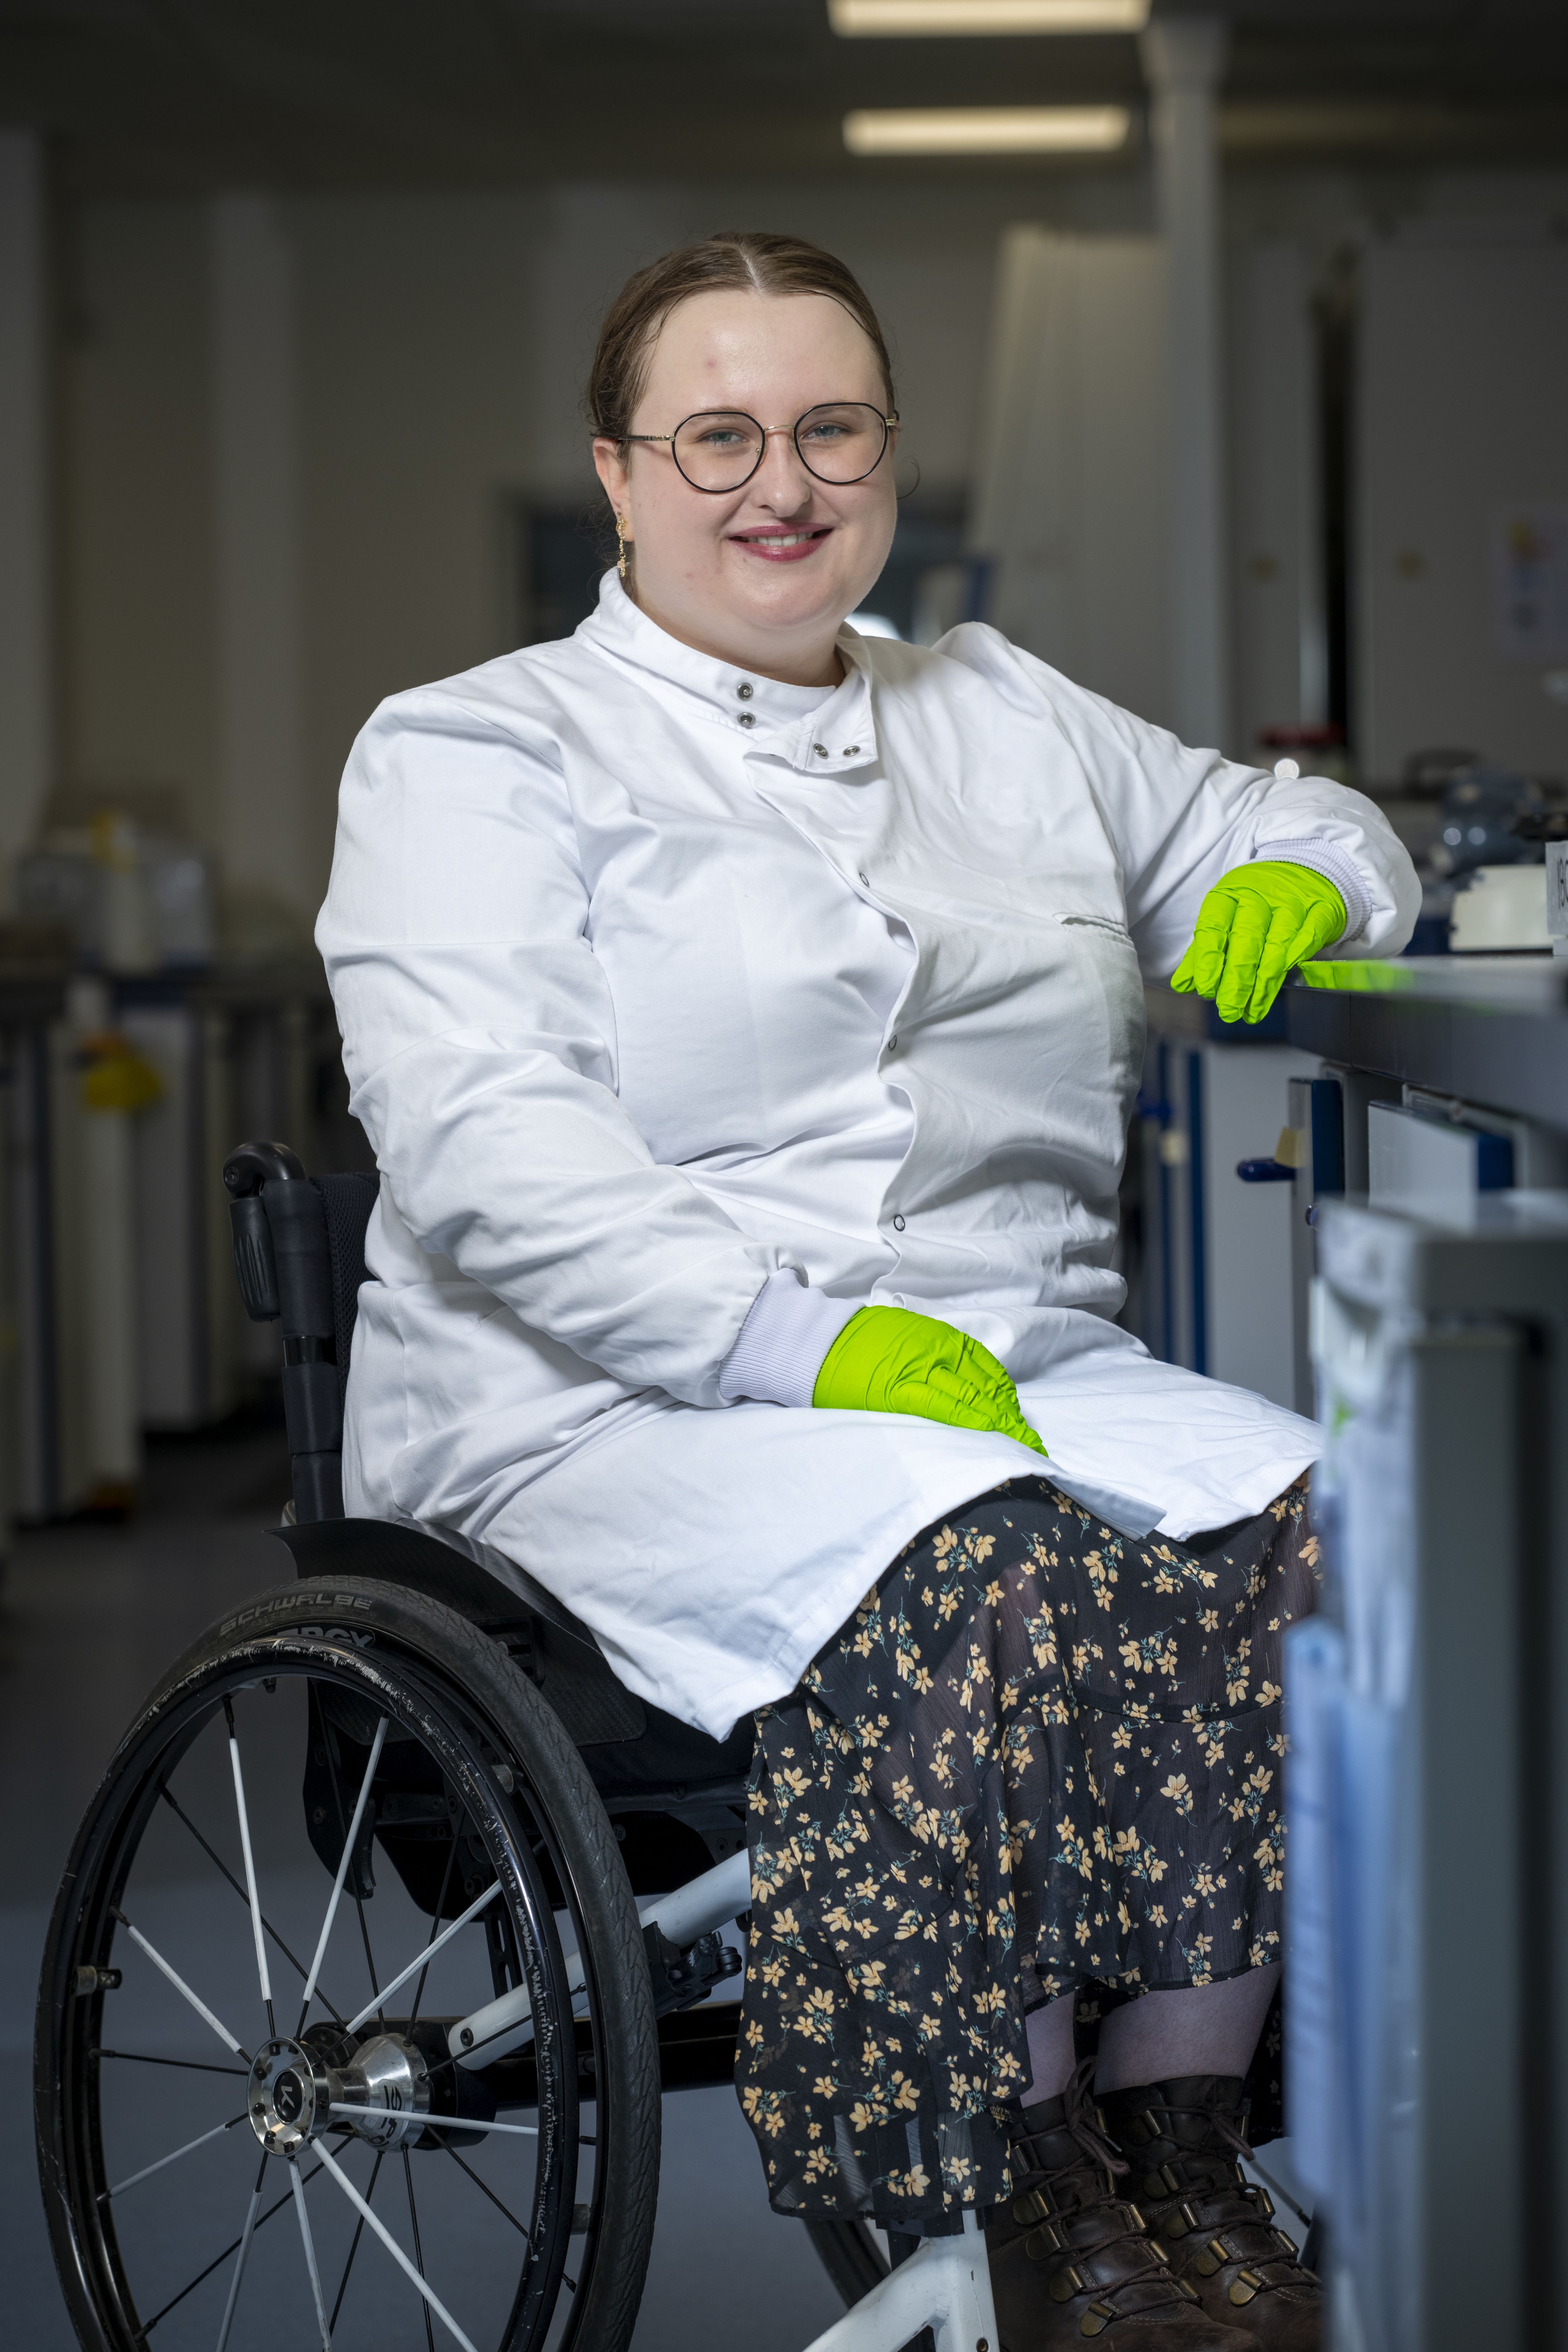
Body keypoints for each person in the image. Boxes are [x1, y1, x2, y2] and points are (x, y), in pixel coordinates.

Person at [317, 232, 1418, 2349]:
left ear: (893, 456)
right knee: (991, 1561)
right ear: (620, 475)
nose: (780, 484)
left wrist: (1314, 870)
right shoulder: (475, 751)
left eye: (831, 428)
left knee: (1337, 1533)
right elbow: (488, 1153)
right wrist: (794, 1341)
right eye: (716, 435)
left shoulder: (992, 706)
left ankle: (1177, 2144)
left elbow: (1290, 821)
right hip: (620, 1404)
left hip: (1009, 1365)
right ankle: (1009, 2179)